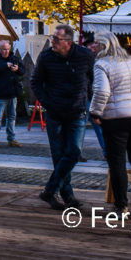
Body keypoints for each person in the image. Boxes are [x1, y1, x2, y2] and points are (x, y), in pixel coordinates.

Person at [89, 30, 131, 215]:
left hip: (116, 118)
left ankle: (121, 206)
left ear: (103, 45)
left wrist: (95, 112)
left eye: (95, 44)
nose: (93, 47)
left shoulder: (101, 64)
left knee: (117, 162)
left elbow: (102, 92)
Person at [31, 24, 94, 210]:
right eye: (53, 38)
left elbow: (93, 79)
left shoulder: (85, 56)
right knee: (59, 156)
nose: (53, 42)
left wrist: (87, 99)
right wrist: (46, 102)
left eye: (57, 39)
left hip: (77, 112)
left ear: (68, 41)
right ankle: (67, 195)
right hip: (55, 113)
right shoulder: (46, 57)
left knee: (73, 152)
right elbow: (35, 82)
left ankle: (50, 190)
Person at [0, 40, 23, 148]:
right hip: (0, 93)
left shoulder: (14, 58)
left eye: (7, 49)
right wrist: (5, 65)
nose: (6, 51)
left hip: (12, 93)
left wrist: (17, 69)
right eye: (4, 49)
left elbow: (23, 71)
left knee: (12, 117)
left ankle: (11, 139)